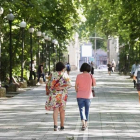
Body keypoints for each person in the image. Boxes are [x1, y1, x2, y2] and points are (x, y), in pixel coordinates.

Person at [45, 62, 72, 131]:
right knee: (62, 110)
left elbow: (49, 85)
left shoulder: (52, 75)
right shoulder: (65, 75)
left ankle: (55, 125)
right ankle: (62, 126)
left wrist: (53, 89)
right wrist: (62, 88)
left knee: (55, 110)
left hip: (54, 94)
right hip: (63, 95)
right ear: (63, 68)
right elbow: (69, 85)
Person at [75, 63, 96, 131]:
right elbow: (94, 85)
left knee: (81, 110)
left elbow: (76, 86)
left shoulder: (78, 76)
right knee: (87, 110)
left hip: (80, 95)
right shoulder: (91, 76)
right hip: (88, 96)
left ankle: (83, 123)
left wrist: (77, 90)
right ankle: (86, 123)